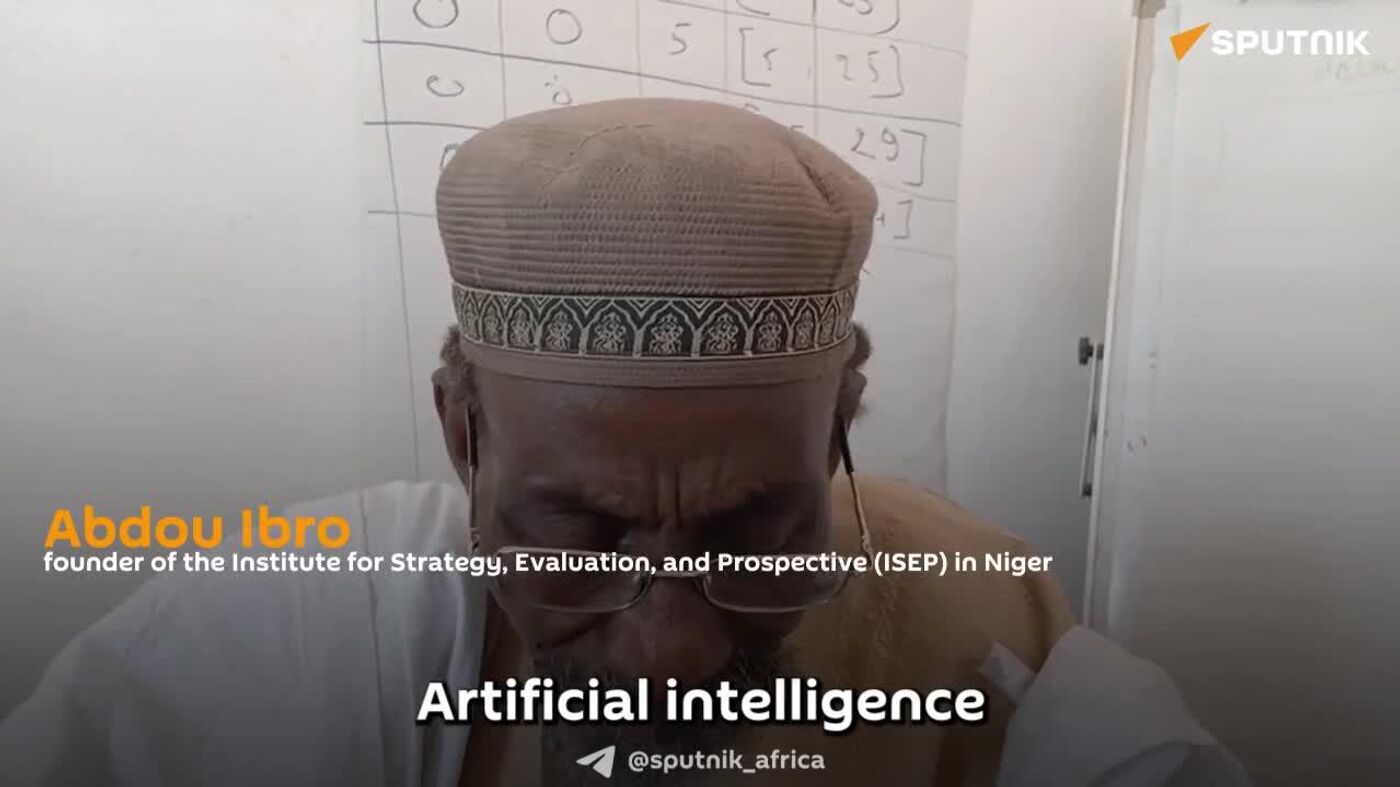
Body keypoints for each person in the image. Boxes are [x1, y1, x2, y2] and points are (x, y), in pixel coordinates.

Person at [0, 99, 1249, 786]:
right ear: (463, 438)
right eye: (580, 537)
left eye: (755, 537)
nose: (674, 654)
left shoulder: (982, 627)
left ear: (836, 438)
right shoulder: (292, 635)